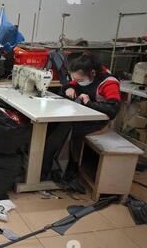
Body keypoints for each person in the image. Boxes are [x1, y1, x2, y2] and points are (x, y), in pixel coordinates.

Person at [42, 52, 121, 181]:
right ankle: (46, 163)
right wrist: (68, 88)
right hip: (83, 116)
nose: (77, 82)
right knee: (53, 124)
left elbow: (113, 109)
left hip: (98, 122)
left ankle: (64, 167)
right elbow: (72, 84)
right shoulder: (84, 74)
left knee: (65, 128)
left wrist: (89, 103)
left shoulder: (109, 83)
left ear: (93, 73)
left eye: (79, 80)